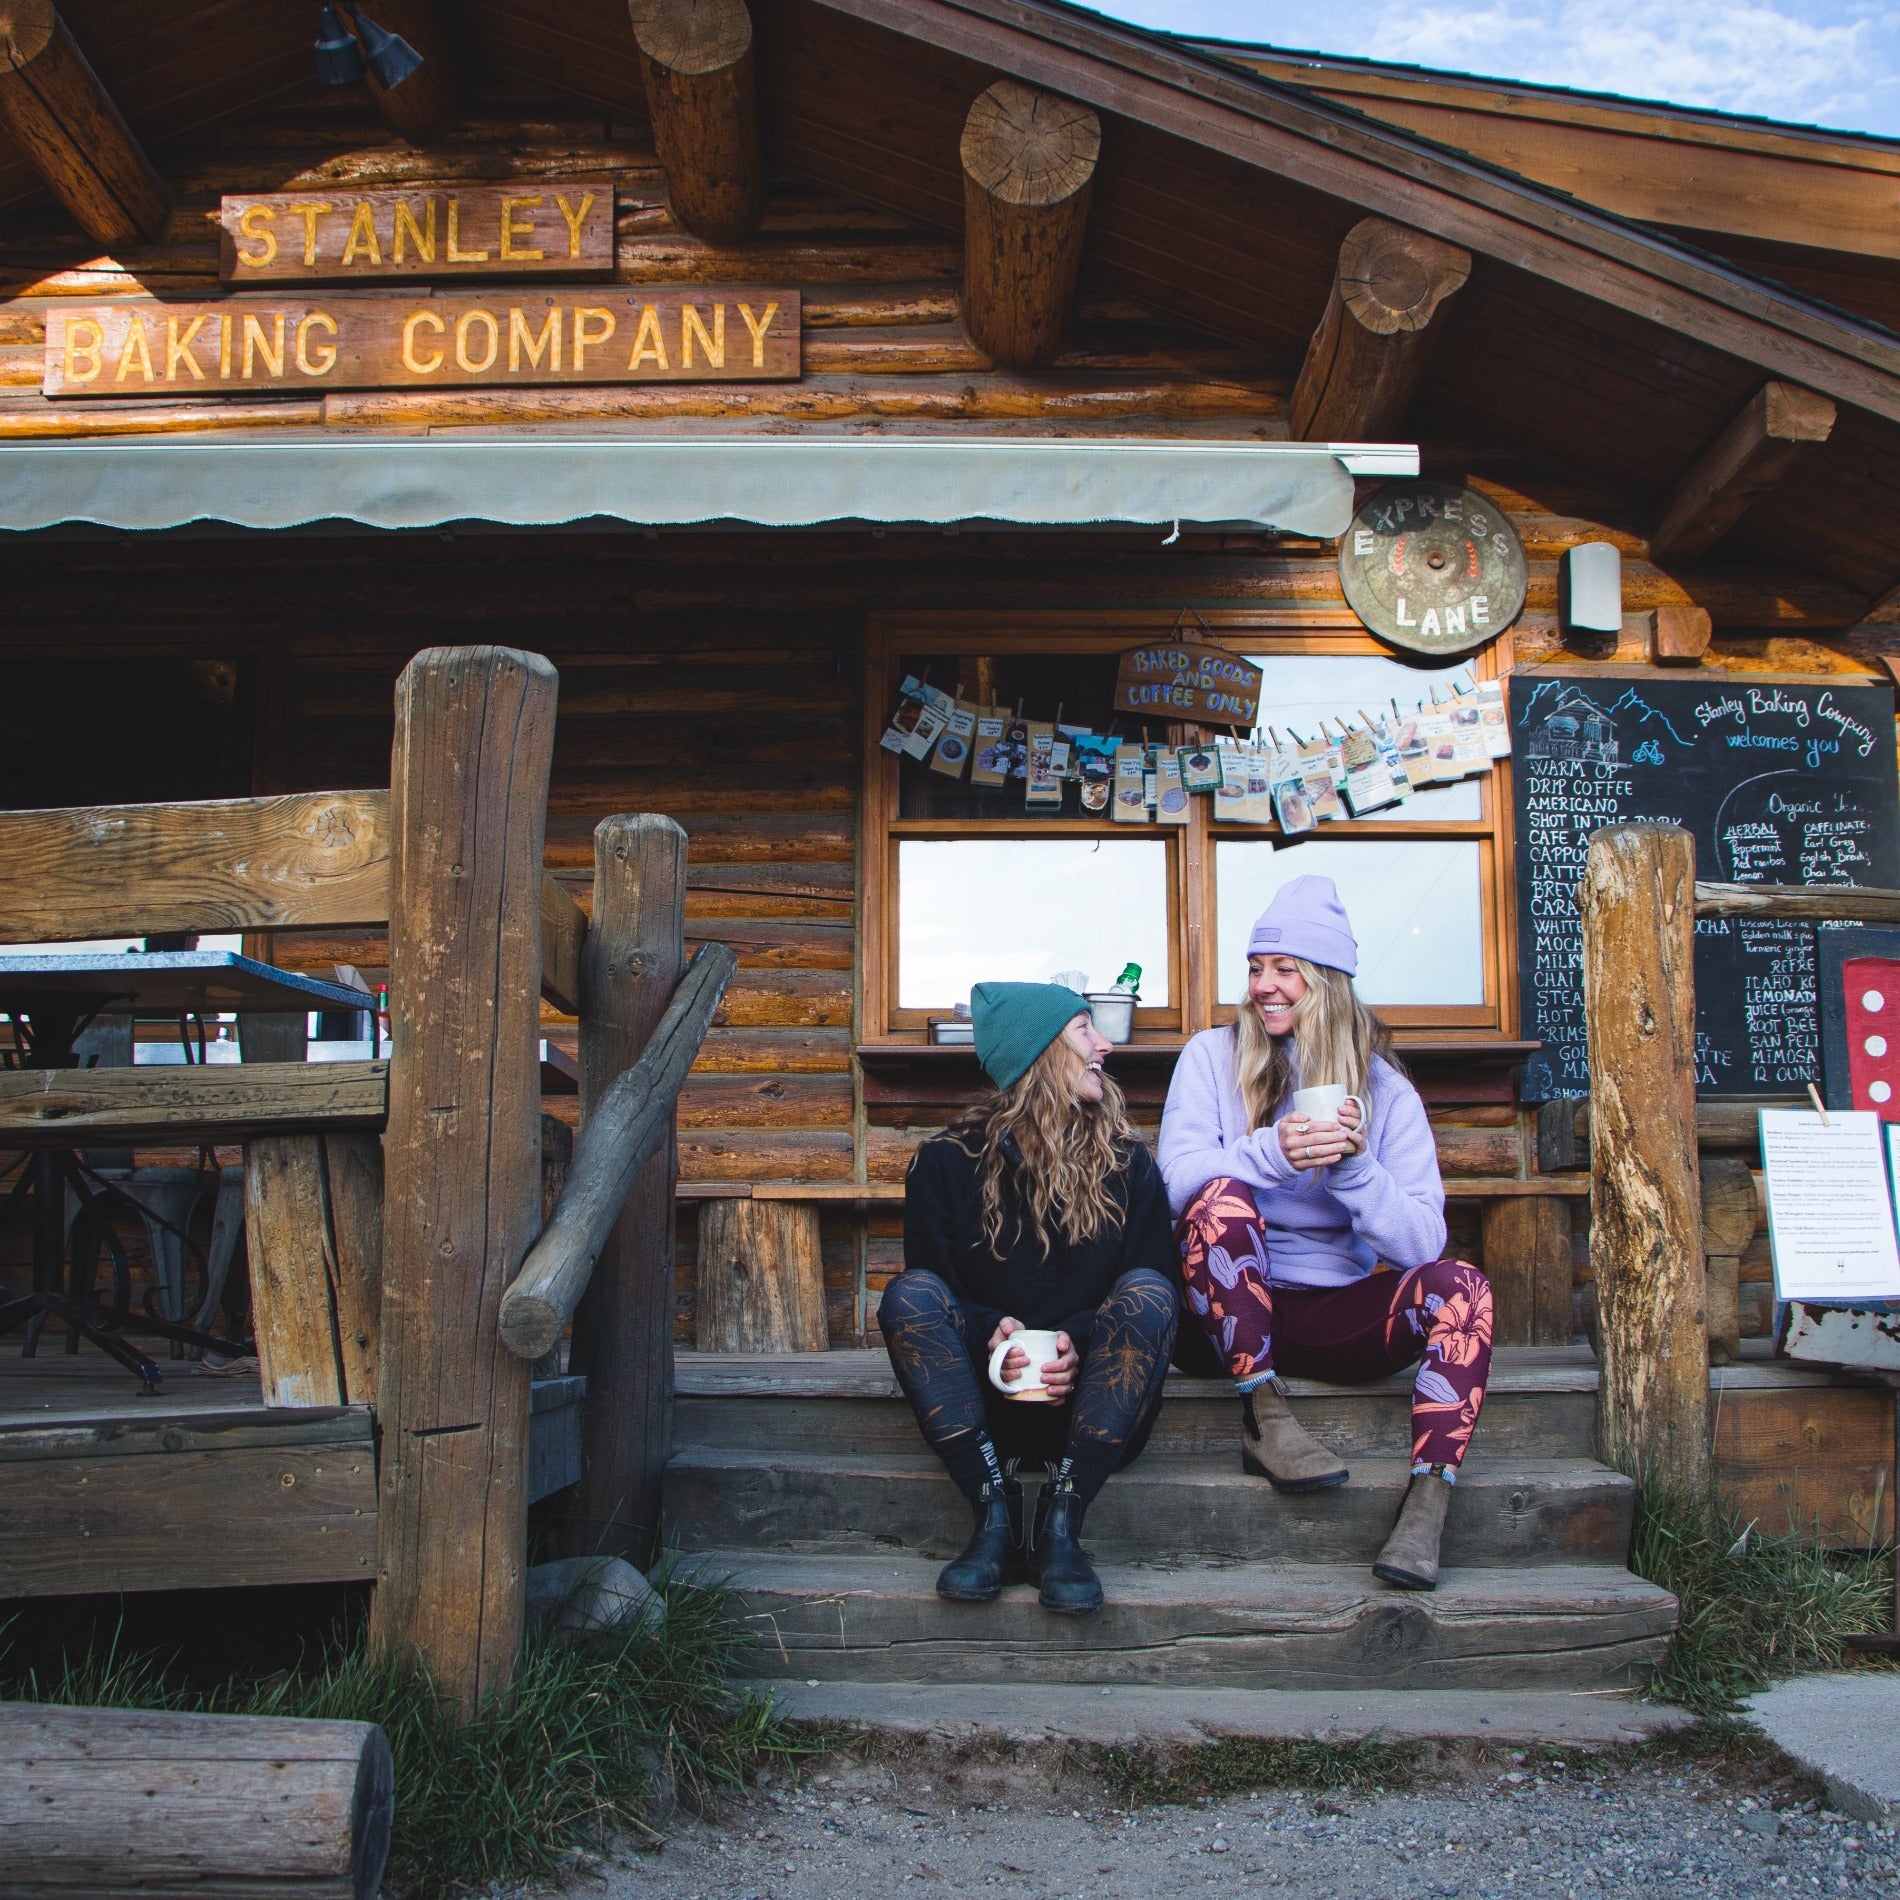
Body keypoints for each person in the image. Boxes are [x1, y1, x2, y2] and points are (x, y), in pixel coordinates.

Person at [1156, 875, 1493, 1590]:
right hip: (1217, 1318)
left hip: (1327, 1310)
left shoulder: (1386, 1092)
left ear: (1328, 981)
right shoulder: (1209, 1058)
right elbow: (1173, 1181)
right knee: (1219, 1198)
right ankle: (1266, 1419)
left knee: (1463, 1288)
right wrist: (1269, 1154)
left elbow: (1421, 1244)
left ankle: (1428, 1501)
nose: (1264, 987)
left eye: (1286, 971)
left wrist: (1356, 1170)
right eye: (1256, 968)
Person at [882, 982, 1181, 1614]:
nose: (1105, 1044)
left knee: (1151, 1293)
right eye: (1083, 1030)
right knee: (908, 1295)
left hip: (1098, 1414)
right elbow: (934, 1295)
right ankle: (993, 1510)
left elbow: (1154, 1288)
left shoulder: (1127, 1164)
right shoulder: (944, 1162)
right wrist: (990, 1331)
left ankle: (1062, 1520)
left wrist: (1081, 1338)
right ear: (1037, 1053)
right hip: (985, 1412)